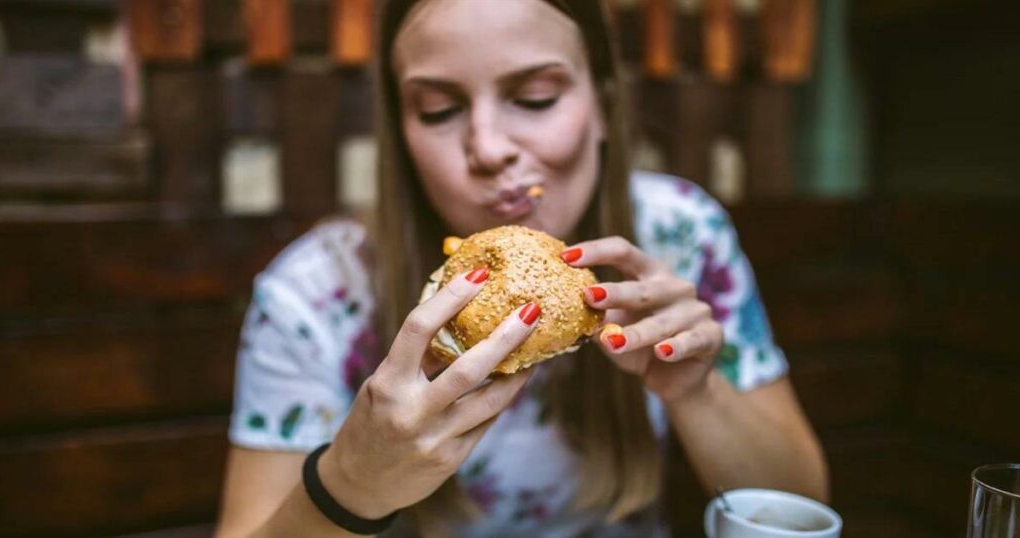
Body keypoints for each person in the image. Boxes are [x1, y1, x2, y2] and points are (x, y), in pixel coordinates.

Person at [215, 0, 828, 536]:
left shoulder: (681, 232)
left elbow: (802, 507)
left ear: (604, 105)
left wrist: (698, 393)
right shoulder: (315, 294)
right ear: (401, 136)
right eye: (437, 109)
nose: (488, 146)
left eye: (534, 98)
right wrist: (351, 483)